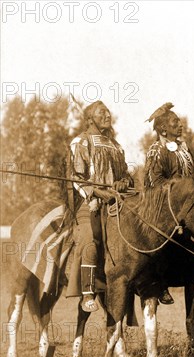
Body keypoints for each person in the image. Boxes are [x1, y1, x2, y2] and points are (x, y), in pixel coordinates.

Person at [67, 100, 134, 312]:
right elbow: (77, 178)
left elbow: (126, 175)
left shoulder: (115, 145)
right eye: (101, 112)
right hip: (91, 203)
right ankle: (88, 292)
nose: (107, 115)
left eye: (107, 112)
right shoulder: (81, 142)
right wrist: (97, 192)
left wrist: (124, 182)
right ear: (90, 119)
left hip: (116, 204)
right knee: (90, 238)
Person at [143, 103, 194, 305]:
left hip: (187, 205)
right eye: (175, 122)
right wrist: (177, 188)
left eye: (180, 121)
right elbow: (153, 182)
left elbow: (192, 176)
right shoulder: (156, 150)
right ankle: (158, 282)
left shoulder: (184, 148)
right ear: (163, 129)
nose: (180, 125)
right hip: (165, 206)